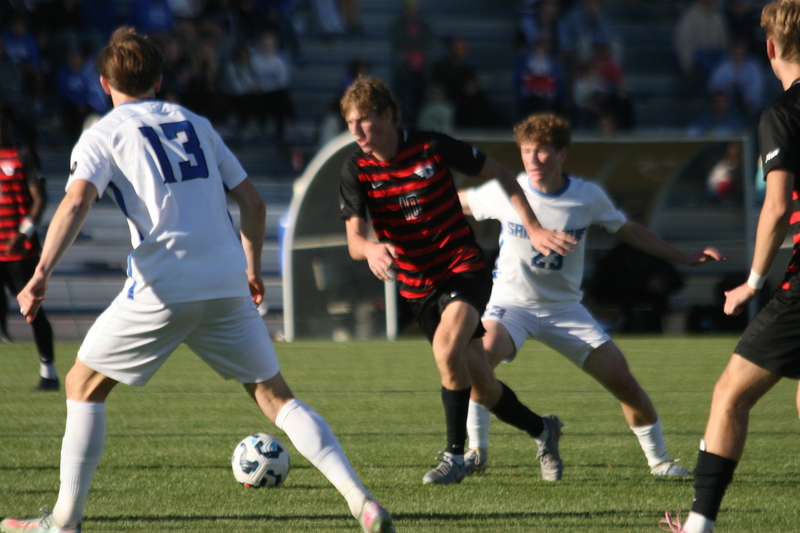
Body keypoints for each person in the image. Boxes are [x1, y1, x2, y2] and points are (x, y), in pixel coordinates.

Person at [0, 28, 394, 533]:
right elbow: (251, 202)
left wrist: (39, 275)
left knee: (81, 384)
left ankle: (64, 522)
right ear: (160, 79)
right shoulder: (196, 122)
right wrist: (252, 268)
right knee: (276, 397)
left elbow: (76, 201)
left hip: (164, 281)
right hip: (226, 278)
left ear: (104, 83)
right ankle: (361, 501)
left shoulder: (103, 133)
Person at [458, 112, 725, 479]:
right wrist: (400, 209)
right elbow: (455, 202)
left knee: (622, 380)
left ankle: (659, 461)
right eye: (526, 151)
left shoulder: (586, 197)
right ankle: (477, 452)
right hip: (511, 305)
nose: (533, 160)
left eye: (542, 152)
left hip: (565, 309)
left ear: (563, 154)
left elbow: (630, 230)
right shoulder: (505, 190)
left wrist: (683, 256)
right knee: (478, 362)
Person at [339, 76, 576, 485]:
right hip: (418, 288)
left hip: (462, 267)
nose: (357, 131)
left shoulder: (431, 146)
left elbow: (502, 173)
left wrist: (534, 227)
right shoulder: (356, 169)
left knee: (447, 351)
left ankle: (454, 458)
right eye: (350, 123)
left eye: (365, 120)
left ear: (389, 115)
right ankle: (543, 430)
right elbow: (355, 241)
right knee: (481, 386)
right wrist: (372, 248)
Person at [660, 2, 800, 531]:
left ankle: (699, 525)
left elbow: (778, 207)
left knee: (729, 394)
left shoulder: (782, 114)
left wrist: (753, 282)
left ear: (769, 49)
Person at [0, 107, 58, 390]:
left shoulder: (23, 155)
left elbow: (39, 198)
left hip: (19, 251)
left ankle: (49, 372)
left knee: (32, 309)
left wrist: (23, 232)